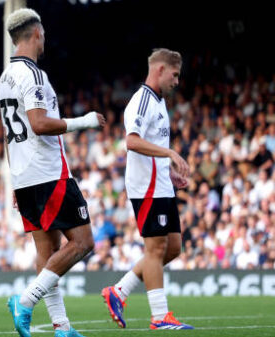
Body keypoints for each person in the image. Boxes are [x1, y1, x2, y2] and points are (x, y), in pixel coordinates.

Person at [0, 8, 106, 337]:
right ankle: (26, 302)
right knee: (83, 242)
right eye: (43, 33)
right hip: (48, 173)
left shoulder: (5, 77)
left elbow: (8, 133)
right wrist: (84, 121)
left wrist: (16, 180)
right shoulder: (33, 75)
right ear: (36, 34)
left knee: (47, 254)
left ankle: (61, 326)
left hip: (25, 175)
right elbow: (40, 123)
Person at [101, 48, 194, 330]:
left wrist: (169, 169)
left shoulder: (159, 102)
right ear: (160, 70)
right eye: (175, 75)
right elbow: (131, 141)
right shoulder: (141, 101)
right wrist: (170, 155)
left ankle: (119, 290)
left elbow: (154, 145)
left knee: (174, 247)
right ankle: (160, 316)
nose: (177, 81)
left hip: (162, 184)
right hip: (147, 187)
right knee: (154, 250)